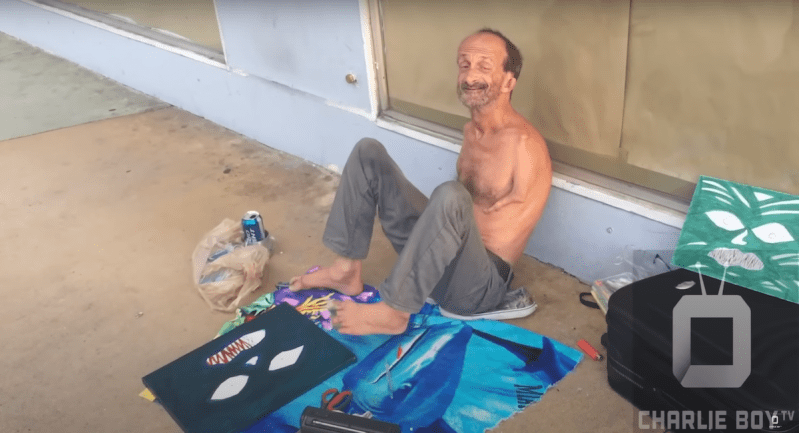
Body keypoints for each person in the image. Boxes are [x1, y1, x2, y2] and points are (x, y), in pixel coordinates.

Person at [289, 29, 552, 335]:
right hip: (438, 262)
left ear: (508, 81)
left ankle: (394, 311)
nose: (469, 76)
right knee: (368, 153)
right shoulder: (472, 132)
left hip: (477, 287)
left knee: (451, 194)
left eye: (484, 66)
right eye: (464, 65)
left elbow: (469, 211)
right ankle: (345, 270)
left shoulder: (524, 145)